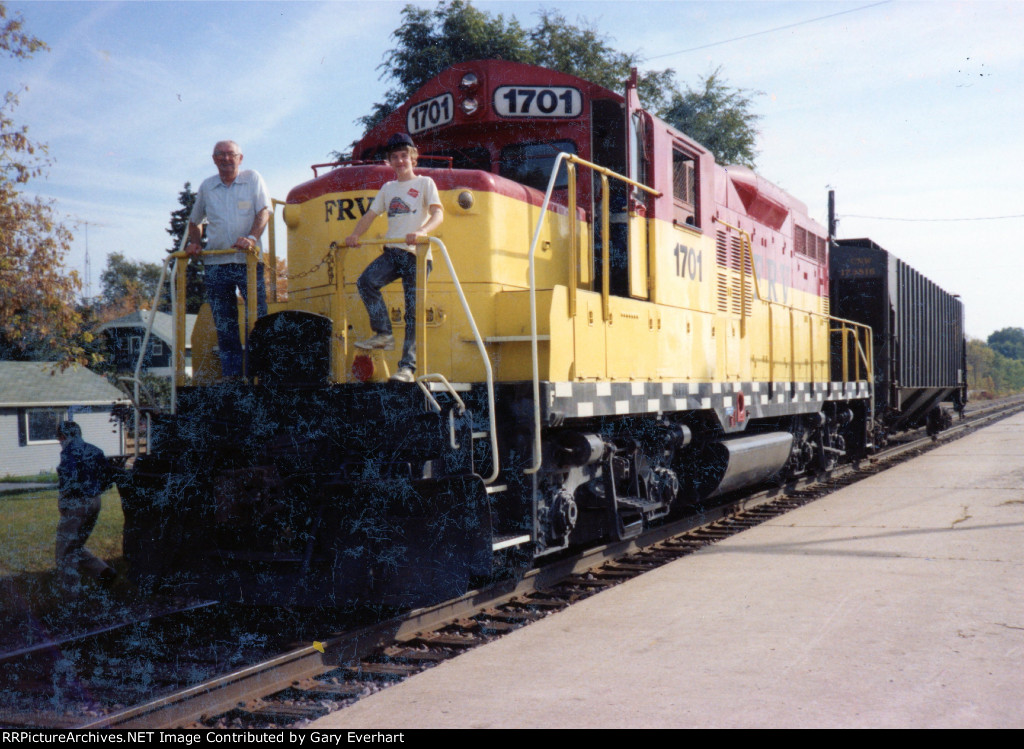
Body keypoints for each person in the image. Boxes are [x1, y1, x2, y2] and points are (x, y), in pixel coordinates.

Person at [345, 133, 444, 383]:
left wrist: (421, 232)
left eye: (404, 156)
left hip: (417, 255)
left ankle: (407, 369)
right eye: (395, 157)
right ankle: (384, 333)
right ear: (389, 161)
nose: (400, 161)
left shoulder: (425, 183)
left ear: (413, 157)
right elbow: (371, 215)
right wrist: (355, 234)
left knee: (412, 311)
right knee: (366, 282)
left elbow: (438, 214)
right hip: (393, 252)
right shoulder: (388, 189)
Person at [186, 140, 270, 379]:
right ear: (214, 159)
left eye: (230, 154)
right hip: (216, 264)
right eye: (220, 155)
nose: (226, 158)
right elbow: (195, 221)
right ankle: (232, 377)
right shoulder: (207, 186)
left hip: (248, 262)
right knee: (224, 324)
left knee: (257, 319)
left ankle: (260, 374)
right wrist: (195, 242)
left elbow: (264, 211)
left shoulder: (253, 179)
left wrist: (252, 238)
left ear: (240, 158)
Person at [55, 421, 116, 597]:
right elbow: (108, 478)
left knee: (65, 551)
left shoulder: (69, 452)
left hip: (76, 503)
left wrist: (66, 501)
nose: (59, 440)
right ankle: (103, 572)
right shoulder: (95, 450)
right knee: (75, 545)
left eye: (59, 437)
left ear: (64, 436)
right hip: (95, 501)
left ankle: (70, 596)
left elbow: (69, 478)